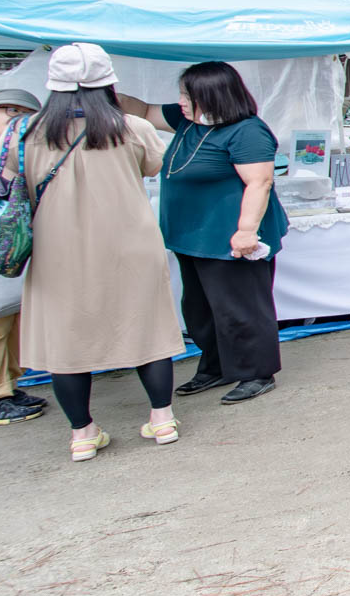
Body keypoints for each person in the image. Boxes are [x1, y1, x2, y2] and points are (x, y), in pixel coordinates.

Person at [20, 45, 185, 460]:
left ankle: (82, 434)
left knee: (66, 341)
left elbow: (11, 185)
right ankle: (162, 419)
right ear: (109, 82)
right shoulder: (132, 127)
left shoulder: (26, 133)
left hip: (58, 248)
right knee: (147, 329)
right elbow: (152, 168)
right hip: (131, 242)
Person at [159, 62, 290, 405]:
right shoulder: (188, 122)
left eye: (188, 95)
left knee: (240, 307)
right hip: (193, 235)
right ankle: (216, 365)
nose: (181, 101)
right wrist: (98, 87)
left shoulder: (247, 131)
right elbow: (142, 110)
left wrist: (246, 231)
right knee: (200, 309)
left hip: (230, 236)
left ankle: (256, 372)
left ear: (211, 96)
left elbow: (259, 182)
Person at [0, 85, 44, 427]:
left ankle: (7, 386)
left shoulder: (15, 151)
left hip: (10, 251)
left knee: (9, 320)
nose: (17, 119)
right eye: (10, 111)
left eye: (24, 114)